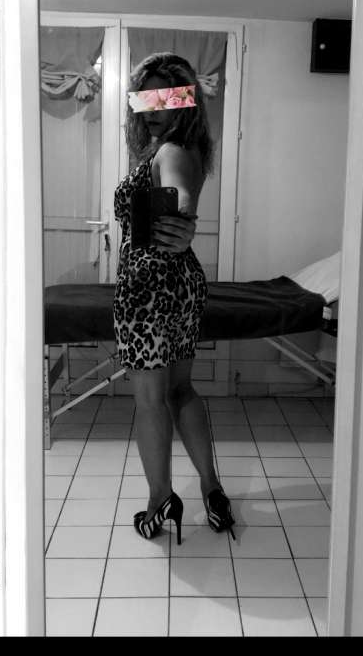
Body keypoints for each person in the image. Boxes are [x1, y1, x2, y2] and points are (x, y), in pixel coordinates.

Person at [113, 52, 235, 544]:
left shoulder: (170, 152)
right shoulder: (186, 148)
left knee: (150, 400)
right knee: (180, 390)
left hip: (149, 287)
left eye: (167, 98)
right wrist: (181, 228)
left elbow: (179, 195)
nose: (154, 109)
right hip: (180, 283)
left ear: (185, 101)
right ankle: (212, 489)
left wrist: (182, 222)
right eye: (147, 99)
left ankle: (159, 501)